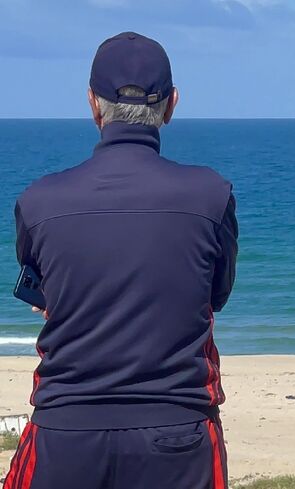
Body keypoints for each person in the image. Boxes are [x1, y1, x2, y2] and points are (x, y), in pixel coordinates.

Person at [3, 32, 238, 489]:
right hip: (177, 430)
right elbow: (216, 294)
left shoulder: (38, 201)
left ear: (93, 104)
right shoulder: (212, 196)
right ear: (171, 105)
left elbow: (45, 290)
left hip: (65, 432)